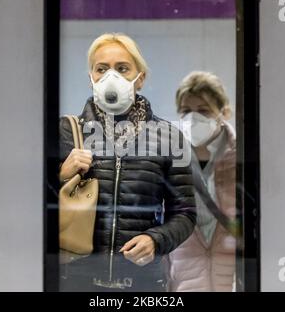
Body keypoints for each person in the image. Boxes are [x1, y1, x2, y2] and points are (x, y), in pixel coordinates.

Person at [58, 33, 196, 292]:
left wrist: (155, 240)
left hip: (142, 284)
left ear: (140, 78)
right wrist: (61, 176)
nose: (112, 77)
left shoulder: (169, 137)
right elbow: (30, 209)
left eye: (122, 68)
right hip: (75, 281)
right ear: (91, 78)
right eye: (101, 69)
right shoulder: (67, 131)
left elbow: (185, 214)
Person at [168, 71, 237, 292]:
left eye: (204, 111)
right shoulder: (169, 158)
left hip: (233, 275)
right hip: (184, 276)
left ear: (223, 113)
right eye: (186, 111)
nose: (193, 118)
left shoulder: (241, 156)